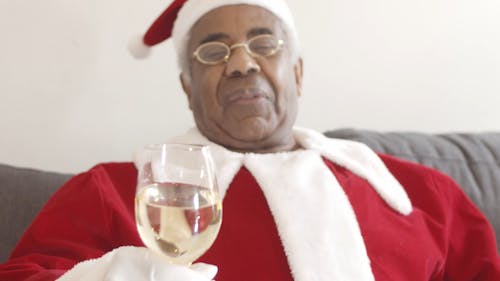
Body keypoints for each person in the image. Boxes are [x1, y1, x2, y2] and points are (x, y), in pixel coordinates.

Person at [1, 0, 499, 280]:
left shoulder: (420, 192)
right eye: (213, 51)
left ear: (298, 73)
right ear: (186, 87)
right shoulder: (117, 191)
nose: (241, 64)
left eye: (264, 43)